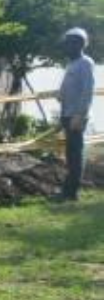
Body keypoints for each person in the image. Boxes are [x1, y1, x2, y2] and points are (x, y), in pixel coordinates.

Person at [53, 26, 93, 202]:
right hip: (67, 113)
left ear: (79, 44)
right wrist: (61, 93)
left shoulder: (85, 63)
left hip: (76, 115)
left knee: (75, 154)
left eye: (69, 43)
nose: (66, 47)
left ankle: (71, 192)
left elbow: (87, 91)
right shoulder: (72, 63)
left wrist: (80, 115)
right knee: (70, 154)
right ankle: (68, 190)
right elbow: (68, 84)